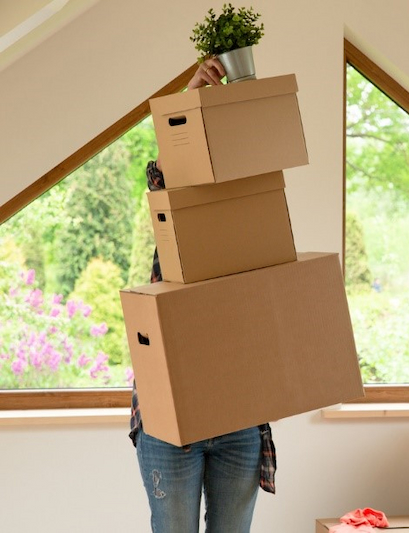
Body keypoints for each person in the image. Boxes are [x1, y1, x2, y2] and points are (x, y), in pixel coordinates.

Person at [129, 57, 276, 533]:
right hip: (171, 416)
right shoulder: (174, 224)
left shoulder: (256, 229)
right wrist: (190, 100)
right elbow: (165, 171)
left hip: (239, 417)